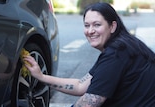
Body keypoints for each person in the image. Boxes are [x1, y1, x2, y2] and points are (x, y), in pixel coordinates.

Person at [24, 2, 155, 107]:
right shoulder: (122, 47)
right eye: (87, 25)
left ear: (112, 26)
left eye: (97, 25)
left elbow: (90, 102)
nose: (90, 31)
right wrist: (41, 76)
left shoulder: (116, 53)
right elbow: (81, 86)